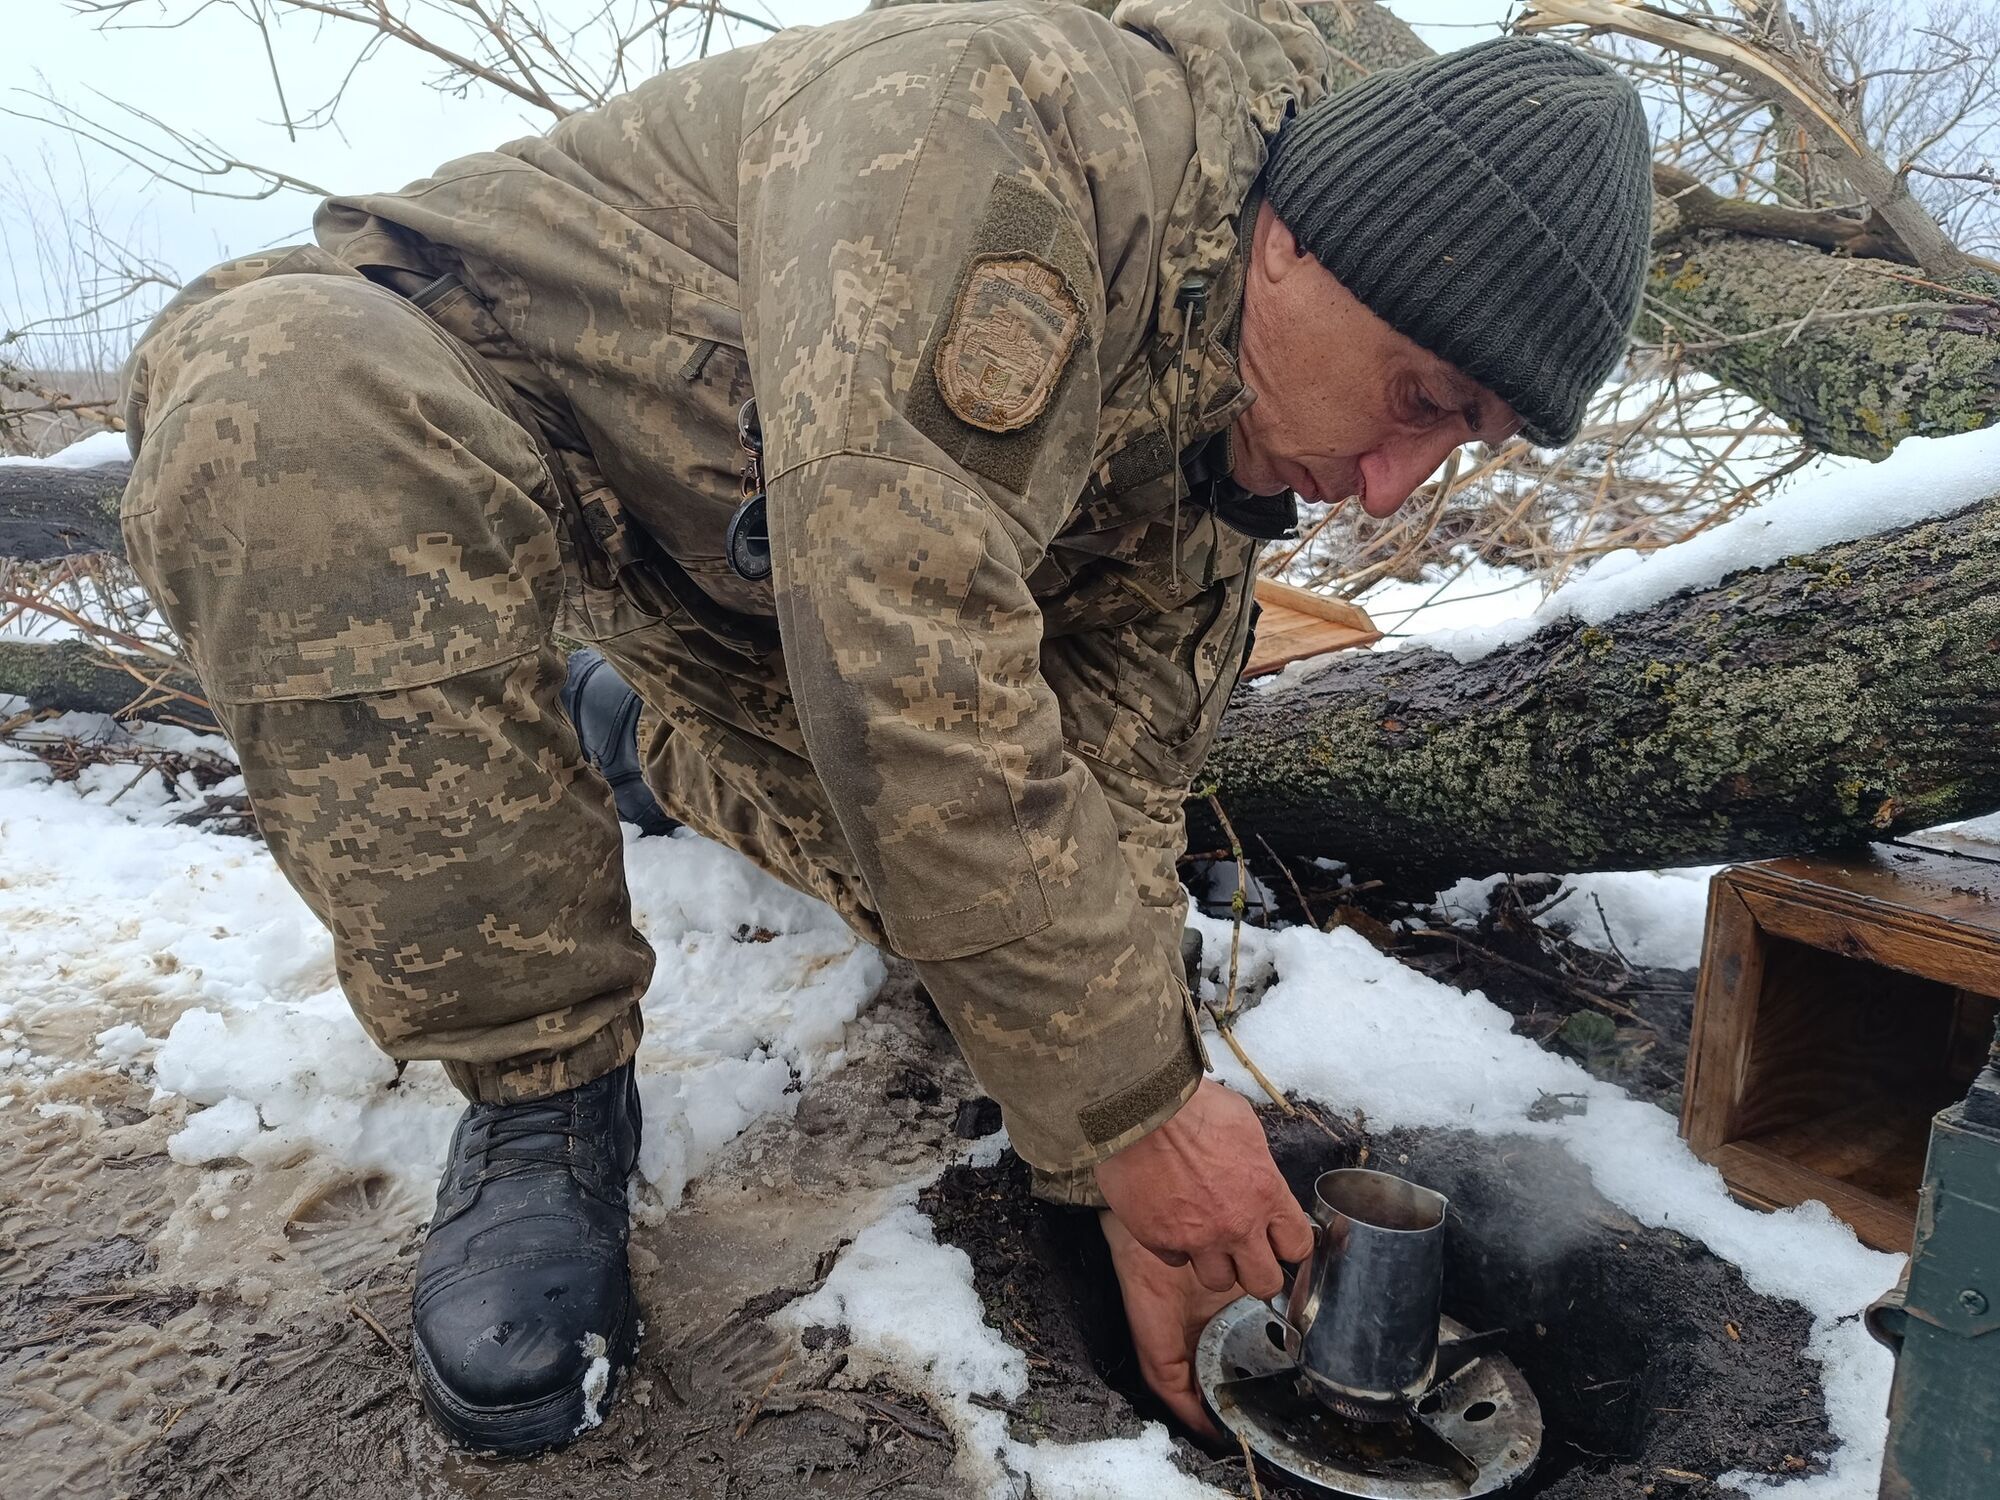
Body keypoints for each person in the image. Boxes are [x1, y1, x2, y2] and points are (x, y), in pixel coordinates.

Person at [118, 0, 1652, 1453]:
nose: (1394, 487)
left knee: (1007, 930)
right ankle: (540, 1098)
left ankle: (632, 739)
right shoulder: (995, 135)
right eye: (1422, 397)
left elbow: (1095, 791)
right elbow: (911, 665)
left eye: (1466, 443)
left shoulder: (1234, 430)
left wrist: (1121, 1140)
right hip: (486, 420)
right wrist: (1130, 1110)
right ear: (1301, 241)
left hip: (763, 590)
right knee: (285, 400)